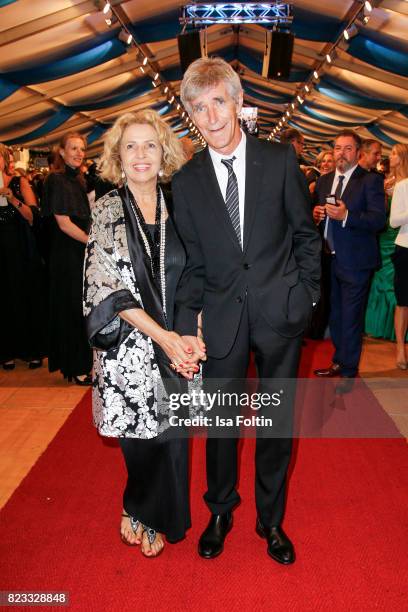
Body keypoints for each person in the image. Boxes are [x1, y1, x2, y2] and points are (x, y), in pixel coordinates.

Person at [172, 57, 321, 563]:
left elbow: (306, 236)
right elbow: (191, 262)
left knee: (277, 425)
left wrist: (306, 299)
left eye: (218, 102)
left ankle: (271, 520)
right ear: (190, 113)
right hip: (219, 320)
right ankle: (220, 510)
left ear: (238, 102)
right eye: (198, 107)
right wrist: (184, 329)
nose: (210, 116)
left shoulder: (278, 161)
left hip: (281, 314)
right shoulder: (186, 181)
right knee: (220, 426)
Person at [83, 109, 198, 557]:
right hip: (128, 348)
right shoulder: (108, 209)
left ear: (163, 151)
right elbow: (105, 287)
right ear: (118, 155)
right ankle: (140, 508)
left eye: (149, 144)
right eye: (130, 146)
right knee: (139, 440)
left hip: (177, 343)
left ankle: (155, 513)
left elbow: (197, 274)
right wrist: (164, 338)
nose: (140, 154)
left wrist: (192, 333)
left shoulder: (179, 204)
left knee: (172, 438)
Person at [313, 130, 386, 392]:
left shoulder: (370, 181)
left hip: (356, 261)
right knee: (336, 314)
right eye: (336, 148)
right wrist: (317, 214)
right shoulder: (324, 181)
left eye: (346, 149)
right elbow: (316, 215)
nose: (340, 153)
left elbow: (378, 220)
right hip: (329, 259)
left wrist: (346, 215)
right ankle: (339, 360)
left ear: (358, 153)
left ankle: (348, 369)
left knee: (351, 316)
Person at [42, 132, 92, 384]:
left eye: (82, 148)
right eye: (73, 148)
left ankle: (81, 363)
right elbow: (63, 224)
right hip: (66, 255)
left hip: (78, 251)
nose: (78, 153)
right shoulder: (57, 180)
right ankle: (76, 367)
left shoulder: (78, 180)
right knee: (71, 309)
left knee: (79, 309)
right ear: (61, 152)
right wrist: (91, 241)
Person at [0, 143, 46, 369]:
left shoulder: (20, 182)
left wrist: (11, 198)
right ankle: (6, 351)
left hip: (21, 249)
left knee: (26, 295)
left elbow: (32, 217)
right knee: (4, 300)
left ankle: (32, 350)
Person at [389, 143, 408, 369]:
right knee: (403, 302)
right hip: (405, 248)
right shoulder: (403, 186)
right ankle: (400, 349)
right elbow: (393, 221)